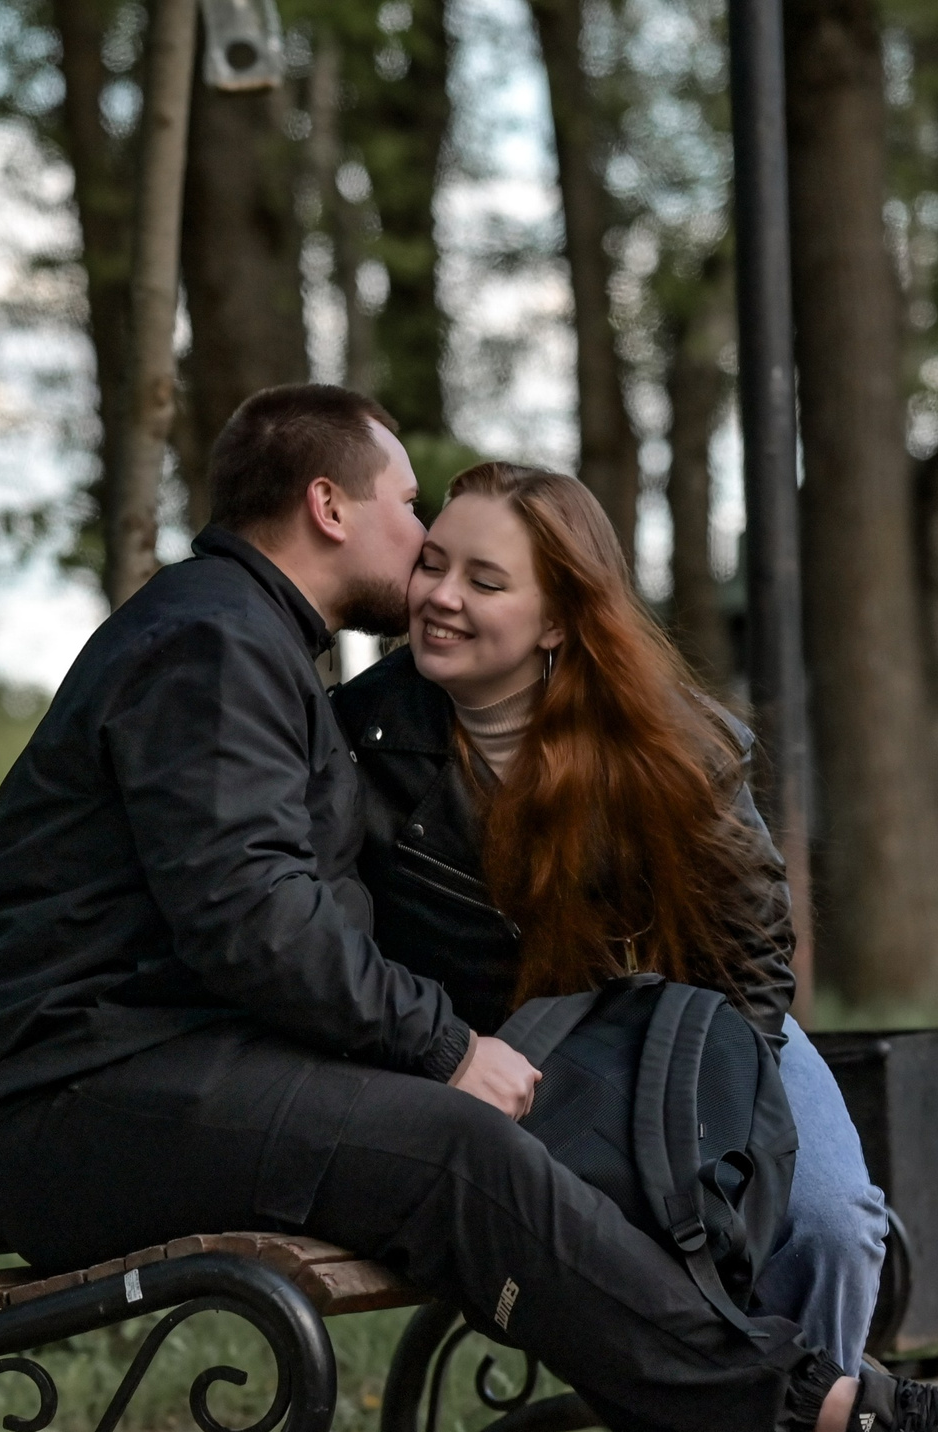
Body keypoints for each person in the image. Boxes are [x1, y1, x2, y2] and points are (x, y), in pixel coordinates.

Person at [0, 384, 938, 1432]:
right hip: (76, 1105)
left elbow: (274, 918)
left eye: (471, 562)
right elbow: (254, 914)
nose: (420, 544)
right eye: (408, 506)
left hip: (161, 1076)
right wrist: (440, 1046)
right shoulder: (216, 645)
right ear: (328, 504)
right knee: (464, 1152)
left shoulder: (244, 644)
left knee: (519, 1160)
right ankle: (847, 1420)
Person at [330, 460, 885, 1377]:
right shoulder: (353, 744)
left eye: (485, 580)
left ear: (556, 618)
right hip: (513, 1077)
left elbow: (752, 951)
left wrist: (705, 1114)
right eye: (433, 563)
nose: (441, 597)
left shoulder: (672, 739)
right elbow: (342, 959)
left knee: (830, 1224)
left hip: (709, 1028)